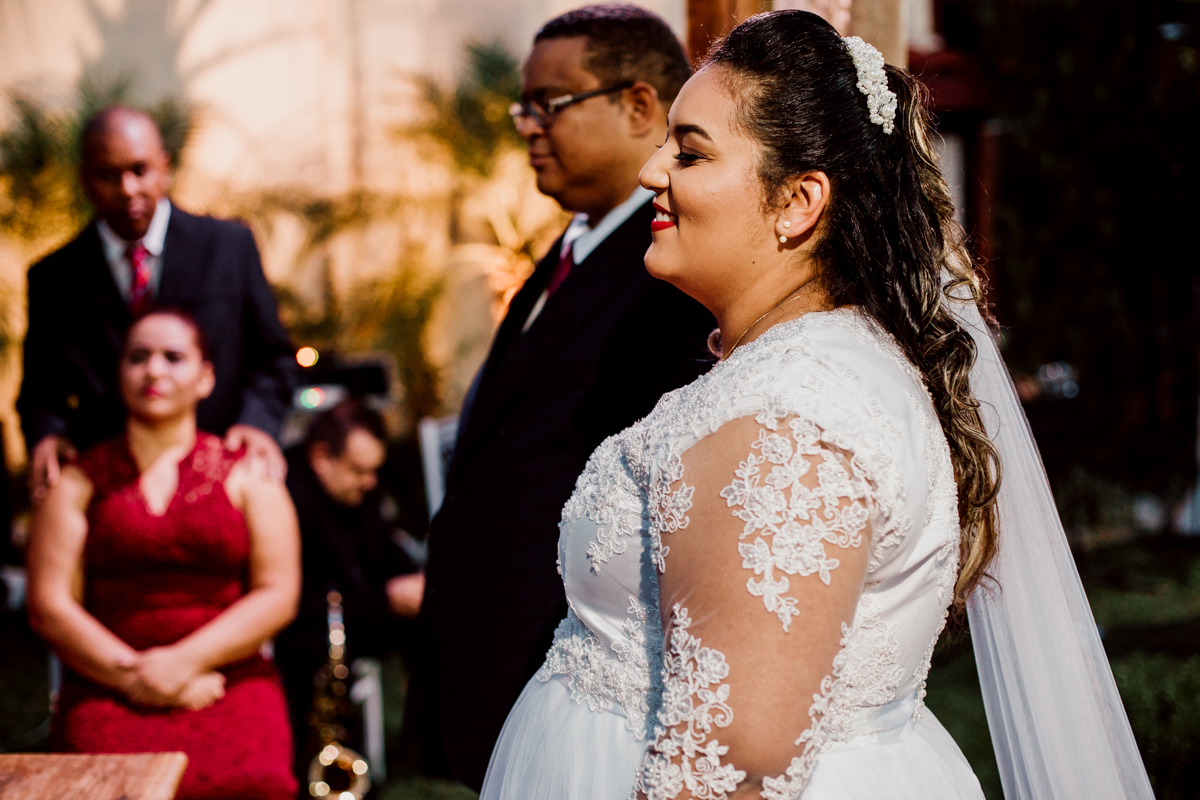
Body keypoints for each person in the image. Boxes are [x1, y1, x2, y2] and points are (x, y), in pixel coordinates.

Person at [481, 11, 1154, 800]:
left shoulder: (785, 425)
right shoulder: (803, 369)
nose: (650, 172)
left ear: (797, 201)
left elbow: (729, 772)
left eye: (690, 151)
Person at [407, 5, 717, 789]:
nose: (527, 125)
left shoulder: (669, 275)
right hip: (495, 642)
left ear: (638, 104)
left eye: (551, 102)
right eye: (525, 106)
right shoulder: (571, 247)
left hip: (567, 645)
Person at [26, 309, 301, 800]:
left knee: (252, 781)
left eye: (174, 358)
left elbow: (279, 593)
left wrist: (184, 663)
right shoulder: (75, 481)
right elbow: (50, 605)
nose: (154, 371)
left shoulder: (249, 476)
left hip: (225, 678)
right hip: (105, 680)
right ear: (119, 375)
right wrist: (134, 676)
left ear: (206, 377)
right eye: (138, 358)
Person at [18, 105, 294, 499]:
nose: (128, 189)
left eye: (139, 170)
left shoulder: (229, 247)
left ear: (164, 168)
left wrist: (257, 423)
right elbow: (41, 390)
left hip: (221, 478)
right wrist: (49, 434)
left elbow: (273, 359)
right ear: (85, 180)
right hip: (108, 490)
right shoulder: (53, 277)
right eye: (108, 175)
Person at [274, 399, 424, 784]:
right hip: (305, 629)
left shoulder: (361, 489)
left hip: (358, 614)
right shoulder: (285, 497)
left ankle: (430, 740)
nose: (370, 482)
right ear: (322, 457)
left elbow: (386, 550)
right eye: (359, 470)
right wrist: (386, 600)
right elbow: (295, 604)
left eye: (374, 470)